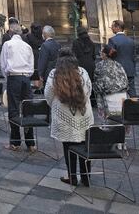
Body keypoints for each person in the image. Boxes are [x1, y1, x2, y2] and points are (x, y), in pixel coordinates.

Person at [44, 49, 94, 187]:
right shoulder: (83, 72)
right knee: (85, 143)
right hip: (84, 114)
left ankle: (72, 176)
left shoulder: (54, 74)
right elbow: (89, 90)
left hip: (64, 115)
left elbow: (48, 94)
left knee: (68, 145)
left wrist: (55, 105)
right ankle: (86, 177)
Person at [0, 23, 36, 151]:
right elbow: (31, 65)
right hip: (26, 78)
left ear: (10, 32)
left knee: (14, 109)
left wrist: (7, 76)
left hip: (13, 77)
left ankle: (15, 142)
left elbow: (3, 64)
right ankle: (30, 142)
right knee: (28, 109)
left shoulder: (7, 45)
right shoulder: (27, 46)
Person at [93, 46, 129, 118]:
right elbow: (126, 81)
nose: (100, 53)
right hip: (123, 99)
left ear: (104, 54)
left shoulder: (100, 65)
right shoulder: (118, 65)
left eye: (101, 52)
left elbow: (98, 85)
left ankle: (105, 123)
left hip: (108, 100)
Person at [108, 20, 136, 97]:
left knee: (118, 93)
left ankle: (122, 108)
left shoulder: (112, 40)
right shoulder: (131, 41)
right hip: (130, 69)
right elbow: (134, 57)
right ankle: (136, 107)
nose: (111, 28)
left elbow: (110, 56)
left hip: (117, 70)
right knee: (132, 91)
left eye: (112, 26)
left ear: (117, 27)